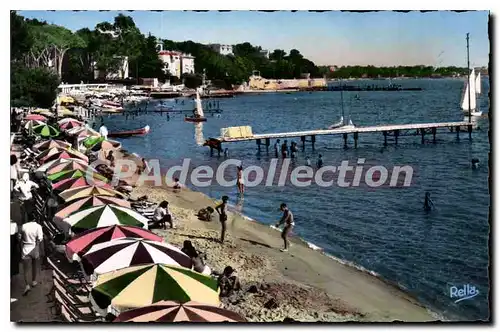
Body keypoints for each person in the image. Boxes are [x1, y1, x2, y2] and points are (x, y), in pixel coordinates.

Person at [18, 217, 44, 295]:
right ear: (35, 219)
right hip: (34, 248)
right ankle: (34, 281)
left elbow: (19, 238)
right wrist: (38, 249)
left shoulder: (23, 226)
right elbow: (40, 239)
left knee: (25, 269)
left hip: (26, 248)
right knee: (34, 266)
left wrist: (21, 245)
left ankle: (27, 286)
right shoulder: (38, 226)